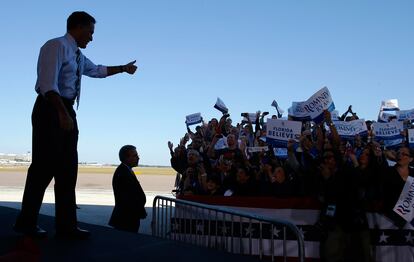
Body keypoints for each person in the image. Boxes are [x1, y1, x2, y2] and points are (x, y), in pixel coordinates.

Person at [14, 11, 137, 239]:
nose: (91, 37)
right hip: (51, 108)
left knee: (68, 171)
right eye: (90, 32)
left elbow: (97, 70)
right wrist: (62, 113)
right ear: (78, 28)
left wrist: (123, 68)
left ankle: (66, 226)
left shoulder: (78, 56)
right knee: (42, 169)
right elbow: (47, 84)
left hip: (67, 110)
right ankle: (26, 222)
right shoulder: (55, 46)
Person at [109, 145, 147, 233]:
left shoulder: (126, 170)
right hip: (126, 219)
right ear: (126, 158)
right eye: (135, 155)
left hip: (129, 217)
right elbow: (128, 198)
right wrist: (139, 210)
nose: (138, 158)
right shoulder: (123, 173)